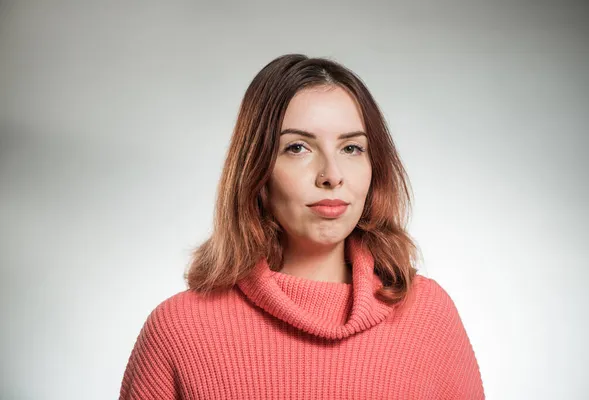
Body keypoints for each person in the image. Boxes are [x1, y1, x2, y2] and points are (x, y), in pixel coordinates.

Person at [119, 54, 485, 399]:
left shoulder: (427, 314)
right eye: (297, 147)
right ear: (256, 172)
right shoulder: (180, 330)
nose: (331, 175)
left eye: (352, 148)